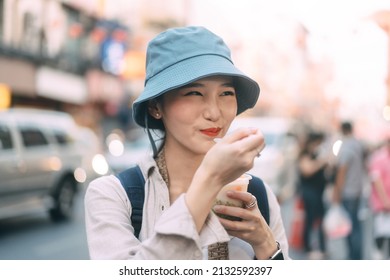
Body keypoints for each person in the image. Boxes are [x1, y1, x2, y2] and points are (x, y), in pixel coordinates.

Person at [84, 26, 290, 260]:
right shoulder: (114, 196)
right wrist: (210, 178)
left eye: (226, 94)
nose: (214, 112)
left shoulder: (257, 194)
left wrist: (265, 244)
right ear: (155, 106)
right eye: (194, 93)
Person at [332, 121, 366, 259]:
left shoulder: (346, 147)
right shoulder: (358, 145)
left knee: (350, 228)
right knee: (356, 226)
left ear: (342, 130)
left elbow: (342, 172)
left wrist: (337, 193)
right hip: (357, 190)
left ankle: (354, 258)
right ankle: (357, 256)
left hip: (348, 192)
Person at [297, 131, 328, 259]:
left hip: (320, 192)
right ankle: (308, 247)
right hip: (309, 192)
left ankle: (322, 247)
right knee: (309, 220)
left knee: (321, 220)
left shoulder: (317, 154)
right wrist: (321, 162)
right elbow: (307, 171)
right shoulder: (305, 154)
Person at [368, 134, 390, 259]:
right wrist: (386, 201)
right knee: (380, 234)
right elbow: (377, 180)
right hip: (381, 205)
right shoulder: (378, 158)